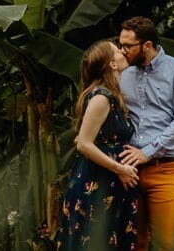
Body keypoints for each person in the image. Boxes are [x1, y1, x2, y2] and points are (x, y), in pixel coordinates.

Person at [117, 16, 174, 251]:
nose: (122, 51)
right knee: (133, 243)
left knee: (168, 243)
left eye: (127, 46)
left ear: (147, 46)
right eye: (120, 44)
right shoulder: (123, 73)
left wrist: (147, 152)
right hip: (127, 171)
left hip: (165, 169)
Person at [57, 41, 140, 250]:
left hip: (111, 184)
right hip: (98, 183)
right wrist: (120, 168)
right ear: (112, 64)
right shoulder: (102, 98)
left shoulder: (114, 96)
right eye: (117, 50)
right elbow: (84, 144)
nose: (123, 51)